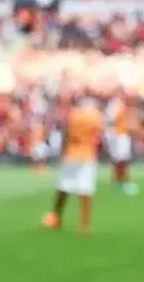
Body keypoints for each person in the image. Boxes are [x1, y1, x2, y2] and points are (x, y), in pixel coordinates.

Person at [43, 97, 104, 233]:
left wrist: (62, 154)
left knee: (63, 187)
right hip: (87, 155)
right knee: (86, 190)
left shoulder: (73, 115)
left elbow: (66, 135)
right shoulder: (97, 117)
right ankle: (84, 225)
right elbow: (98, 138)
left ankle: (56, 218)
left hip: (71, 154)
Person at [107, 96, 139, 194]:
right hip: (120, 136)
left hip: (119, 135)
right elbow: (112, 122)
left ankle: (118, 181)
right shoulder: (118, 107)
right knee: (122, 160)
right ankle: (124, 181)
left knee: (119, 160)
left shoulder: (119, 107)